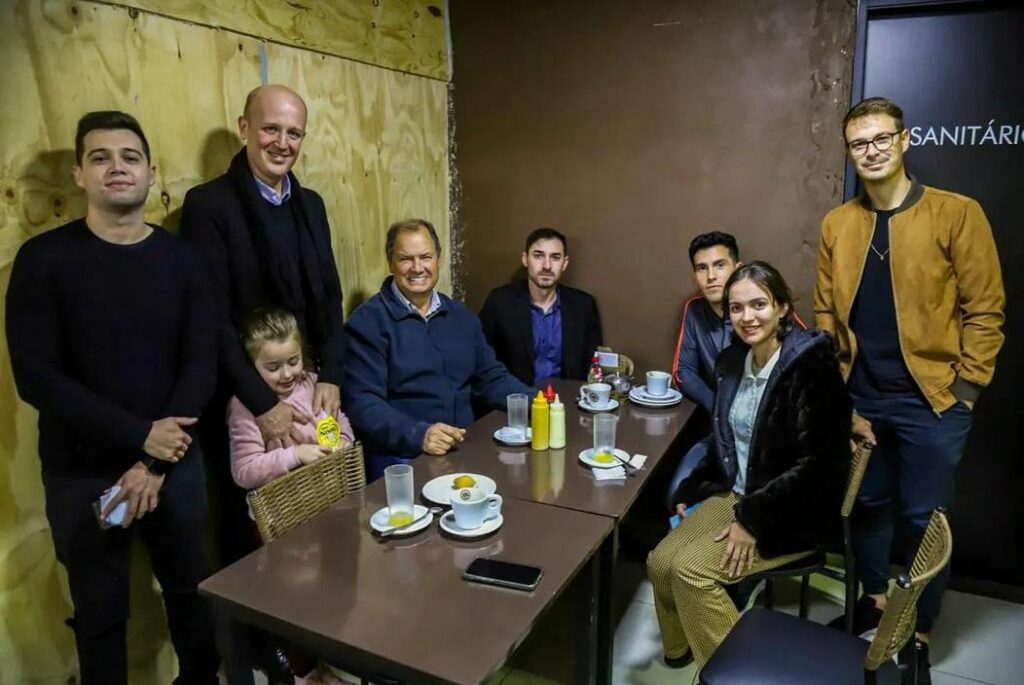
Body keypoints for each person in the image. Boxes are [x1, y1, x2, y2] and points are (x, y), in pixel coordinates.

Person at [6, 111, 219, 684]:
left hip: (174, 462)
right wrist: (140, 437)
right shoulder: (43, 262)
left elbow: (201, 364)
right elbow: (36, 378)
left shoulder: (184, 261)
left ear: (151, 172)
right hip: (83, 473)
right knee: (99, 617)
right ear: (79, 174)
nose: (117, 167)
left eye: (130, 157)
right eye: (100, 157)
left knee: (192, 597)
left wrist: (154, 459)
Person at [816, 96, 1005, 682]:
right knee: (868, 506)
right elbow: (824, 314)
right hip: (862, 398)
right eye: (859, 143)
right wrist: (840, 396)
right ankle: (876, 603)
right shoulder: (837, 224)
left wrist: (965, 391)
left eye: (881, 138)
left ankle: (917, 630)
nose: (871, 151)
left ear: (905, 141)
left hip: (934, 400)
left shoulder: (956, 213)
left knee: (925, 521)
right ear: (849, 152)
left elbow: (986, 310)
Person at [180, 83, 346, 683]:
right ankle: (267, 656)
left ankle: (315, 645)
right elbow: (209, 315)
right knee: (253, 539)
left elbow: (329, 297)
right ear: (244, 127)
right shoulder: (209, 205)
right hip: (242, 400)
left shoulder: (311, 204)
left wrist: (333, 376)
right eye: (271, 128)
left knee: (317, 530)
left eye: (293, 132)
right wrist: (259, 403)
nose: (282, 142)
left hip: (306, 386)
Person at [648, 262, 851, 669]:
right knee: (660, 562)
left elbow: (823, 467)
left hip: (790, 512)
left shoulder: (810, 363)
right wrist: (692, 490)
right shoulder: (732, 361)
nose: (747, 317)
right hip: (737, 494)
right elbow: (725, 442)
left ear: (782, 307)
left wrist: (753, 521)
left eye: (759, 304)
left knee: (691, 571)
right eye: (737, 308)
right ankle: (681, 649)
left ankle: (738, 674)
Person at [344, 219, 532, 480]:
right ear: (390, 262)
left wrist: (540, 403)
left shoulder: (460, 315)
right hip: (403, 459)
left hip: (465, 447)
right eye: (406, 259)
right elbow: (363, 404)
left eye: (425, 257)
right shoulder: (367, 323)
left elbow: (490, 377)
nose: (417, 267)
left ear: (438, 259)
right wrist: (419, 435)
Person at [228, 309, 353, 685]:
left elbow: (340, 427)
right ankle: (302, 673)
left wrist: (341, 444)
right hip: (278, 523)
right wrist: (294, 455)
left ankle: (327, 664)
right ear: (251, 366)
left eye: (293, 361)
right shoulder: (245, 406)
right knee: (293, 599)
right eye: (272, 367)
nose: (286, 374)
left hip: (325, 508)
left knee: (330, 592)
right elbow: (243, 471)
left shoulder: (314, 384)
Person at [666, 231, 742, 505]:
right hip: (717, 432)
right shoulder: (695, 310)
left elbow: (807, 364)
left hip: (761, 438)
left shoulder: (760, 310)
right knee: (675, 495)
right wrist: (718, 408)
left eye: (720, 265)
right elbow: (682, 371)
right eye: (702, 268)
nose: (711, 276)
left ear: (738, 269)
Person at [479, 227, 603, 385]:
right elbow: (483, 361)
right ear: (525, 259)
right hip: (517, 397)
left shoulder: (583, 306)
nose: (547, 265)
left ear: (564, 263)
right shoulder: (499, 302)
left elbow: (592, 365)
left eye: (555, 257)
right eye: (538, 256)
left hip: (568, 397)